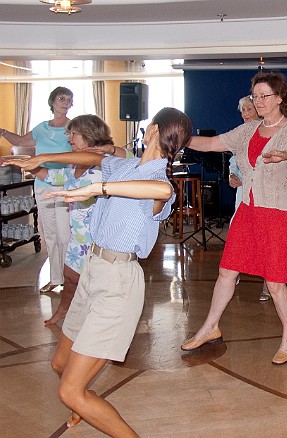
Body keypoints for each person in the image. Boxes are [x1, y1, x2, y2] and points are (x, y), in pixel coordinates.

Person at [4, 107, 193, 436]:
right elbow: (93, 157)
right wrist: (40, 161)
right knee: (59, 365)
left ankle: (93, 411)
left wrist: (97, 189)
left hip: (118, 283)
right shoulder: (125, 164)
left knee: (69, 391)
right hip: (93, 270)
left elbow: (162, 193)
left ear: (153, 129)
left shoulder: (160, 179)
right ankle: (84, 406)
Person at [181, 71, 287, 365]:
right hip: (248, 210)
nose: (259, 101)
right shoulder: (248, 130)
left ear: (280, 98)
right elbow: (212, 143)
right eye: (256, 96)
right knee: (227, 271)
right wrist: (178, 137)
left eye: (264, 96)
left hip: (278, 213)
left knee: (276, 282)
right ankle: (210, 327)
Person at [20, 115, 126, 325]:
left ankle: (99, 320)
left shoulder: (107, 163)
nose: (69, 138)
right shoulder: (73, 164)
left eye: (73, 134)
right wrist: (28, 166)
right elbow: (53, 177)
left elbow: (129, 157)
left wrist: (110, 149)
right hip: (78, 236)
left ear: (89, 134)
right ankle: (64, 309)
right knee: (70, 276)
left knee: (96, 283)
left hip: (100, 237)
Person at [0, 87, 74, 293]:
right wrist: (4, 133)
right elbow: (21, 141)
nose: (65, 102)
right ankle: (55, 278)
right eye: (61, 98)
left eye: (69, 99)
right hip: (42, 186)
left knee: (65, 236)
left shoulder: (73, 127)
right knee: (50, 235)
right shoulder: (41, 128)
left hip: (65, 186)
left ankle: (70, 280)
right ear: (52, 102)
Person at [229, 95, 271, 302]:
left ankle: (268, 284)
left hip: (264, 195)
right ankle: (232, 274)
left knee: (264, 238)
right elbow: (234, 162)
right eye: (243, 110)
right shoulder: (240, 134)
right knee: (238, 234)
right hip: (243, 195)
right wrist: (232, 176)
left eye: (249, 110)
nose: (245, 114)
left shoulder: (269, 133)